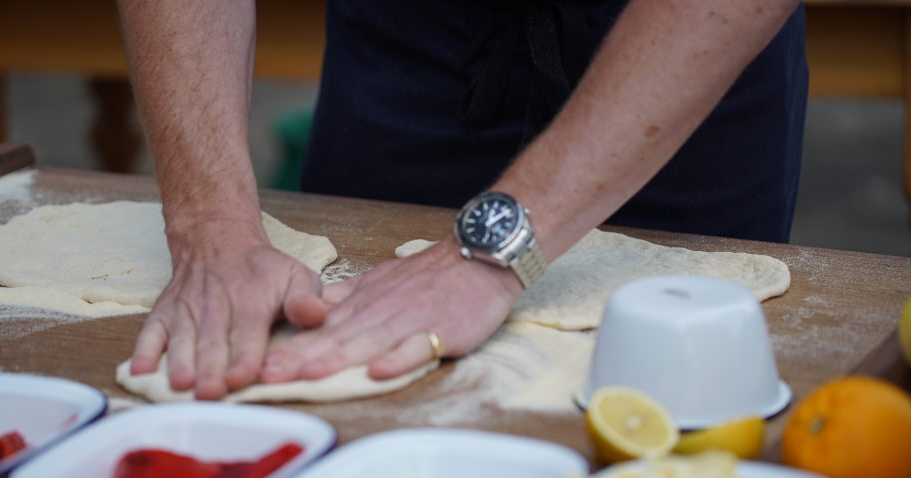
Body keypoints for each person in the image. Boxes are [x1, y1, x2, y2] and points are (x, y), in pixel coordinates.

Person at [116, 0, 807, 400]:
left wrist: (493, 251)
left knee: (677, 412)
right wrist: (211, 221)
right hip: (409, 42)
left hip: (675, 47)